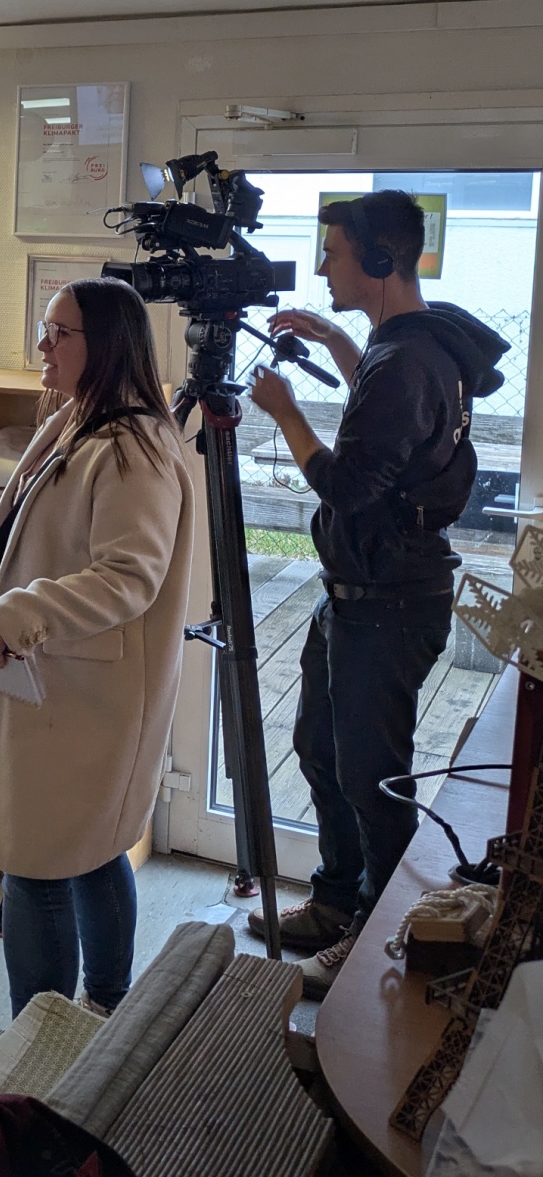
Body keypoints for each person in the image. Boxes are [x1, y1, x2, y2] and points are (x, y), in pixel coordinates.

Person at [0, 277, 193, 1018]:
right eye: (45, 328)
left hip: (93, 695)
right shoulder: (75, 420)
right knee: (90, 850)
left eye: (59, 333)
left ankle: (43, 1035)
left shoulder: (134, 449)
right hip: (50, 684)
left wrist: (18, 614)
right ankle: (105, 1010)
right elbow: (19, 529)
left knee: (38, 864)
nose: (42, 345)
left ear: (106, 345)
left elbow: (128, 578)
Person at [248, 190, 508, 998]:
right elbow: (390, 424)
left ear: (380, 260)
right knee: (319, 748)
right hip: (359, 592)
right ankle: (335, 899)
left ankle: (370, 934)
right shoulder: (417, 343)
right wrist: (336, 341)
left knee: (371, 775)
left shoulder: (403, 362)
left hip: (386, 603)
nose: (321, 266)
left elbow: (349, 485)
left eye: (331, 253)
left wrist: (285, 413)